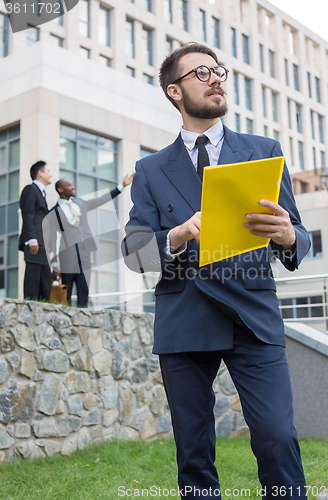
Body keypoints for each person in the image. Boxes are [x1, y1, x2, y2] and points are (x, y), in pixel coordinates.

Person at [122, 43, 310, 499]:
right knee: (194, 451)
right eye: (200, 72)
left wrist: (286, 236)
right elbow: (135, 252)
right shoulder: (149, 169)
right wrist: (180, 234)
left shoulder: (264, 151)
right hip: (184, 317)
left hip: (253, 314)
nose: (215, 78)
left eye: (217, 70)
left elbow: (298, 235)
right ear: (174, 91)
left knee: (277, 436)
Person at [50, 174, 133, 307]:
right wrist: (54, 265)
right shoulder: (53, 212)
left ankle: (84, 316)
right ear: (60, 189)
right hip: (67, 253)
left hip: (85, 251)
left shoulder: (80, 203)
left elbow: (100, 200)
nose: (73, 186)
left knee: (84, 287)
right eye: (69, 185)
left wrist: (121, 187)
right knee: (68, 288)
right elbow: (51, 239)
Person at [19, 160, 53, 300]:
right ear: (40, 173)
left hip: (42, 243)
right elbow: (28, 214)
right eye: (48, 171)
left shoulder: (41, 193)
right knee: (33, 279)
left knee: (45, 281)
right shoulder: (31, 189)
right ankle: (29, 308)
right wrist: (31, 239)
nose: (50, 174)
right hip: (34, 242)